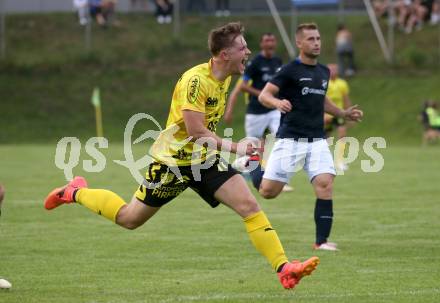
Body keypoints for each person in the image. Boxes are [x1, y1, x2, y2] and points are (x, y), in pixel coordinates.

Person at [44, 22, 319, 290]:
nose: (248, 52)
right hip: (173, 163)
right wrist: (237, 148)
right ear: (225, 54)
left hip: (204, 160)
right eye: (243, 48)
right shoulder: (196, 81)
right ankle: (75, 192)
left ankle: (285, 269)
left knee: (250, 207)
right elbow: (196, 130)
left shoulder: (223, 78)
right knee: (130, 219)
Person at [239, 23, 363, 251]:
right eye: (311, 39)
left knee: (325, 184)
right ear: (299, 43)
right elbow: (265, 95)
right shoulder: (289, 70)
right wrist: (277, 102)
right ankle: (253, 161)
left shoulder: (323, 71)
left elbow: (322, 100)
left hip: (316, 140)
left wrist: (342, 113)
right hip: (290, 140)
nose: (316, 43)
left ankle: (321, 242)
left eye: (318, 38)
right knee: (268, 192)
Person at [224, 33, 292, 191]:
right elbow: (242, 86)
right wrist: (263, 94)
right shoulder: (255, 63)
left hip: (273, 110)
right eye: (267, 40)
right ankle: (243, 165)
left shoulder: (277, 61)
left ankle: (277, 179)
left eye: (272, 39)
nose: (270, 42)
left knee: (282, 138)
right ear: (262, 44)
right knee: (253, 146)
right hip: (255, 111)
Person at [324, 63, 353, 171]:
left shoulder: (342, 83)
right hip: (326, 114)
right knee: (324, 138)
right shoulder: (324, 83)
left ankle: (339, 161)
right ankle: (324, 160)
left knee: (342, 133)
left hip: (339, 113)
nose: (333, 71)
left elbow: (346, 99)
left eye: (335, 69)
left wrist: (349, 113)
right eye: (331, 69)